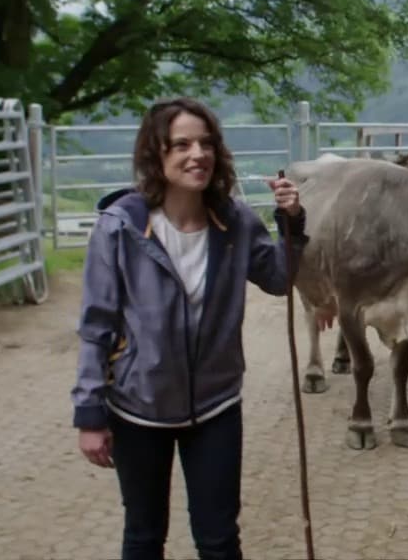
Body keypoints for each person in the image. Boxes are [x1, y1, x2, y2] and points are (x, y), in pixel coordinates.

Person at [69, 97, 306, 560]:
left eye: (205, 143)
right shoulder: (120, 228)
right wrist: (89, 415)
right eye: (181, 144)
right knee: (144, 535)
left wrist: (291, 223)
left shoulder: (234, 220)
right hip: (139, 408)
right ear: (156, 155)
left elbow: (279, 279)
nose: (197, 154)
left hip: (215, 407)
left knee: (219, 539)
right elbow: (96, 326)